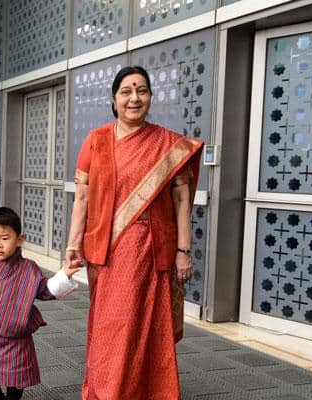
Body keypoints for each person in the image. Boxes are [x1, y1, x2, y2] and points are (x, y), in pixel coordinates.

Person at [65, 66, 203, 399]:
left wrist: (184, 251)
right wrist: (73, 244)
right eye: (126, 91)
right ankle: (108, 389)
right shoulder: (96, 141)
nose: (134, 98)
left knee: (147, 328)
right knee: (110, 327)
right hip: (108, 251)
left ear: (150, 97)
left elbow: (182, 199)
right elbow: (82, 197)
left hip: (151, 249)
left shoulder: (169, 144)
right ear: (113, 99)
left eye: (142, 90)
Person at [0, 207, 80, 400]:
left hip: (16, 337)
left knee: (16, 378)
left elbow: (45, 289)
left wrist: (65, 274)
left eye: (5, 238)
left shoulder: (28, 268)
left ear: (19, 239)